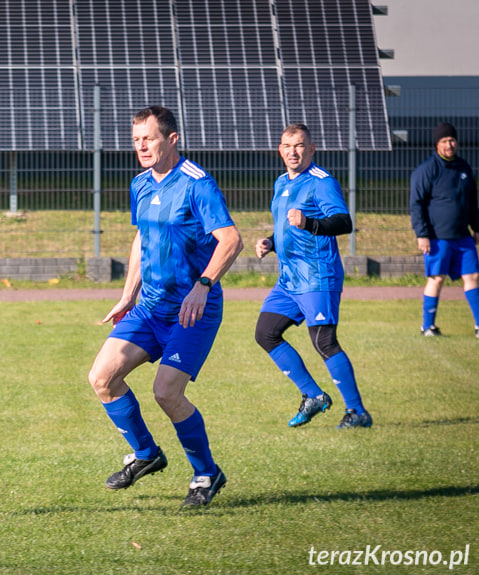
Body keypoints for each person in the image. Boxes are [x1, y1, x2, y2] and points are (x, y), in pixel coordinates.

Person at [87, 106, 243, 508]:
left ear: (172, 140)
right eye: (136, 139)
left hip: (192, 310)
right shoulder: (140, 184)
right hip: (150, 308)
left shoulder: (197, 184)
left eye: (149, 138)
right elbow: (142, 239)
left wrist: (203, 285)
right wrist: (127, 294)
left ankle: (207, 474)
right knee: (102, 377)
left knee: (166, 392)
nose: (141, 146)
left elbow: (231, 240)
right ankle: (145, 454)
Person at [254, 123, 372, 430]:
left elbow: (344, 221)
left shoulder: (321, 181)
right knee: (265, 332)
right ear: (280, 150)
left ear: (312, 148)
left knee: (324, 342)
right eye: (287, 146)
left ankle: (357, 412)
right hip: (289, 278)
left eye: (299, 146)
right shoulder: (281, 182)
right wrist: (271, 242)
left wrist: (309, 223)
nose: (293, 152)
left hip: (317, 275)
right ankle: (313, 396)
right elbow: (286, 226)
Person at [409, 121, 479, 338]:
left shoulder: (464, 168)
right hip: (438, 238)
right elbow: (416, 204)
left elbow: (472, 201)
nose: (450, 144)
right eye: (445, 141)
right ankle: (428, 326)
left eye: (452, 140)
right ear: (437, 144)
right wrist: (422, 234)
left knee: (473, 275)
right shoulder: (426, 170)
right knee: (437, 278)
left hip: (463, 237)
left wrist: (476, 227)